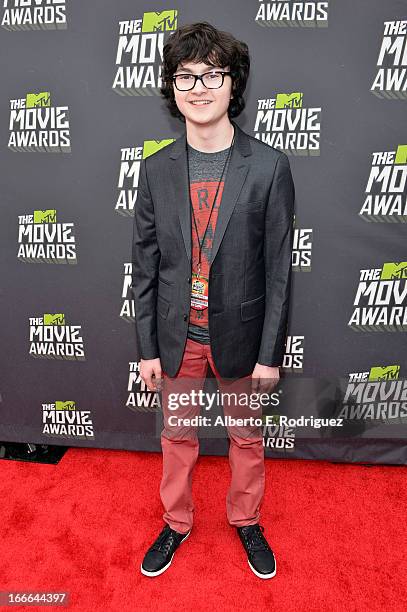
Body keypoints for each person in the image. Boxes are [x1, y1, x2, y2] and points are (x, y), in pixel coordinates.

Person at [131, 22, 295, 579]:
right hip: (180, 341)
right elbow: (146, 266)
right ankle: (175, 522)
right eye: (185, 76)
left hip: (243, 340)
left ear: (233, 84)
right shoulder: (155, 170)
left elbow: (278, 271)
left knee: (246, 437)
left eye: (211, 74)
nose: (198, 86)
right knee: (177, 435)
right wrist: (147, 348)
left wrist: (270, 355)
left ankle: (246, 519)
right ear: (173, 90)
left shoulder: (269, 167)